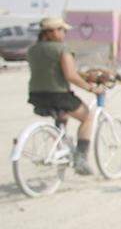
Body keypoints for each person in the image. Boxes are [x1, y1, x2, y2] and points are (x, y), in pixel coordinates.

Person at [25, 17, 101, 175]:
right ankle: (80, 158)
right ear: (51, 32)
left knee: (62, 116)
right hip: (58, 95)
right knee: (87, 117)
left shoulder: (32, 49)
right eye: (62, 30)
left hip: (36, 95)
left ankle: (62, 147)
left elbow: (51, 69)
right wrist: (90, 88)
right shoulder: (61, 49)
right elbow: (70, 75)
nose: (64, 33)